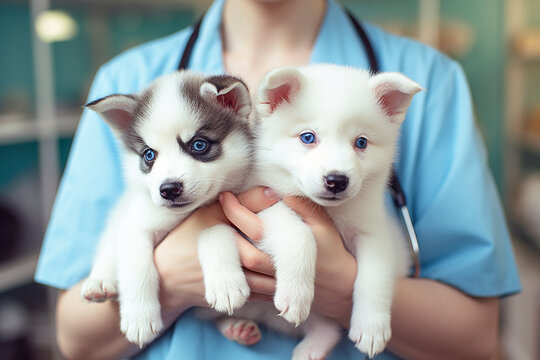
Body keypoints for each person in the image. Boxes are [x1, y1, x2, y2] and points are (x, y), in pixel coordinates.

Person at [34, 0, 521, 359]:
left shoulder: (428, 79)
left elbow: (477, 342)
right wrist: (172, 278)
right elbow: (75, 339)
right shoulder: (133, 79)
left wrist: (341, 285)